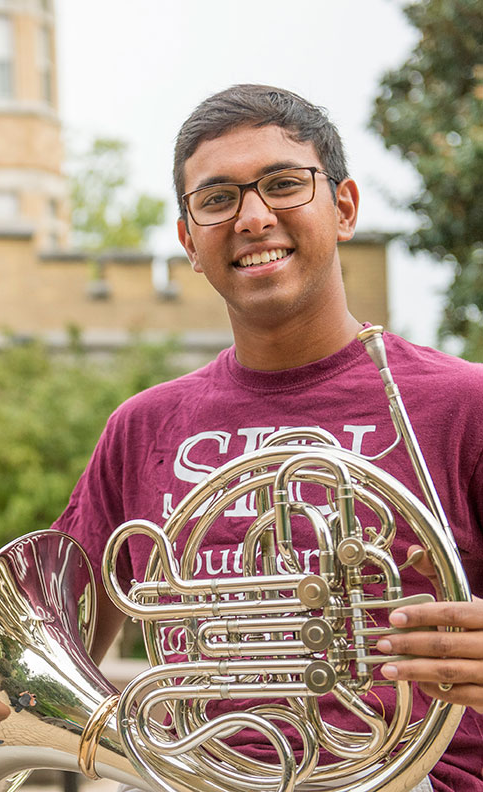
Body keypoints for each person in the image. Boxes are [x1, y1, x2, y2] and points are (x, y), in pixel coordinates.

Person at [53, 84, 483, 792]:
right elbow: (59, 647)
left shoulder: (463, 404)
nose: (253, 218)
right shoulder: (143, 428)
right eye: (217, 199)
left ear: (342, 208)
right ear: (190, 241)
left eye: (283, 185)